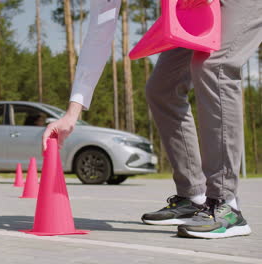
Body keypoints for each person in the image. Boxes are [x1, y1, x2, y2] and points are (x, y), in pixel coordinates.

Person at [42, 0, 261, 239]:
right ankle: (193, 197)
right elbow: (98, 36)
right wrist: (72, 113)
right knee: (162, 89)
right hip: (193, 5)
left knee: (214, 65)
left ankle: (226, 203)